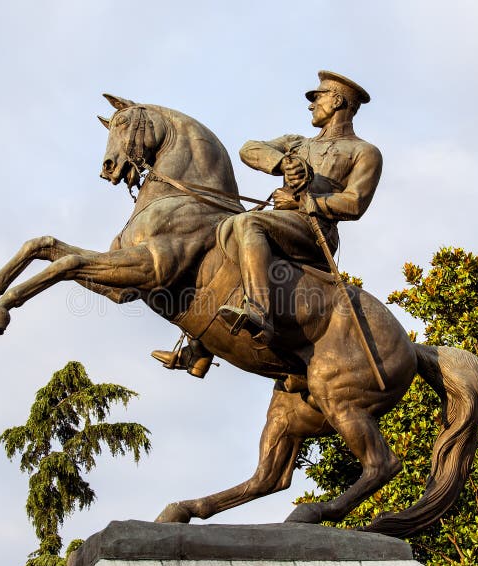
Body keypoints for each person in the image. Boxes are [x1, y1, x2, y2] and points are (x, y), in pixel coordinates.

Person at [152, 70, 382, 373]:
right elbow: (248, 149)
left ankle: (258, 311)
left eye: (318, 97)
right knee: (222, 236)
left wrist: (305, 202)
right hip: (281, 222)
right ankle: (199, 348)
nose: (312, 104)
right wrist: (282, 162)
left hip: (315, 231)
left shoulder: (364, 152)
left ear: (337, 101)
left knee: (248, 224)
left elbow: (355, 203)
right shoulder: (296, 144)